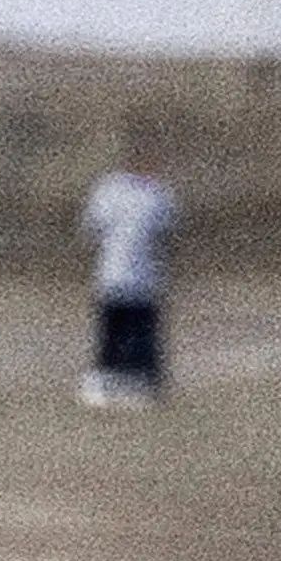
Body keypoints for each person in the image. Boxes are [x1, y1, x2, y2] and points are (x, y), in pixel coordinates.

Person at [80, 161, 180, 407]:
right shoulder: (155, 194)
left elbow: (91, 229)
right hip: (135, 277)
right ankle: (125, 376)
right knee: (125, 328)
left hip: (122, 276)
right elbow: (168, 233)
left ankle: (125, 376)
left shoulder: (112, 190)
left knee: (125, 328)